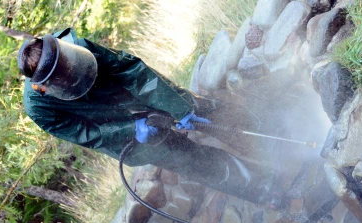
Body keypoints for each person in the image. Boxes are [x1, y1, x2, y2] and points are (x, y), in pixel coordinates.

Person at [17, 28, 292, 206]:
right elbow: (86, 134)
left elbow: (132, 71)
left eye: (68, 67)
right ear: (42, 86)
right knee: (192, 161)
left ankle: (276, 145)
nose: (69, 73)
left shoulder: (76, 47)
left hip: (139, 95)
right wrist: (130, 129)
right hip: (123, 132)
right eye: (61, 77)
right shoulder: (40, 108)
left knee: (208, 113)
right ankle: (260, 186)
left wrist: (179, 108)